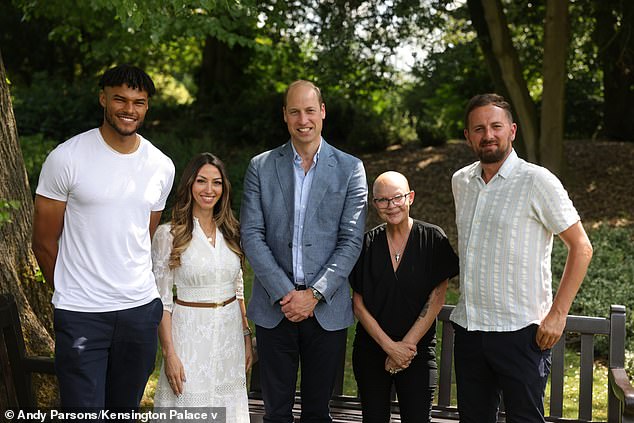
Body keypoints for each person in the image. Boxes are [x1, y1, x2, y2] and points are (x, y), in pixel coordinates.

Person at [31, 64, 175, 412]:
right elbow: (43, 242)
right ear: (103, 99)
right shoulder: (66, 158)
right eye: (120, 99)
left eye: (138, 102)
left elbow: (144, 232)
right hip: (82, 313)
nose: (129, 109)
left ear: (147, 106)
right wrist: (71, 288)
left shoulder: (161, 166)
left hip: (140, 312)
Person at [450, 93, 593, 423]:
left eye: (496, 126)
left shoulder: (537, 181)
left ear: (512, 130)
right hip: (470, 330)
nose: (489, 135)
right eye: (479, 128)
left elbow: (581, 247)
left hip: (521, 333)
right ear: (468, 136)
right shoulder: (461, 182)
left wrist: (558, 315)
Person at [240, 80, 368, 423]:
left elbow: (351, 240)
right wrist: (287, 294)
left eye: (310, 110)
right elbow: (252, 235)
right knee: (275, 412)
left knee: (317, 413)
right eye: (294, 111)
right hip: (274, 308)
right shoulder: (261, 166)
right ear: (285, 116)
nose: (303, 119)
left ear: (322, 112)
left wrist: (313, 294)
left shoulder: (350, 168)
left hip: (325, 310)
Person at [350, 171, 459, 423]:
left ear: (410, 197)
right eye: (382, 200)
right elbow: (358, 303)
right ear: (374, 204)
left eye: (397, 197)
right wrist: (390, 348)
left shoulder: (433, 239)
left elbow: (437, 297)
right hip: (371, 351)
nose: (391, 206)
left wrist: (404, 350)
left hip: (417, 352)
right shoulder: (366, 244)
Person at [151, 153, 252, 421]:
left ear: (224, 188)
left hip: (230, 338)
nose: (209, 190)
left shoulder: (232, 231)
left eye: (217, 183)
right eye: (202, 181)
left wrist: (245, 336)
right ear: (189, 185)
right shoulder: (168, 235)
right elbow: (162, 301)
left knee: (228, 409)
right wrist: (169, 353)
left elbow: (238, 286)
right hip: (189, 338)